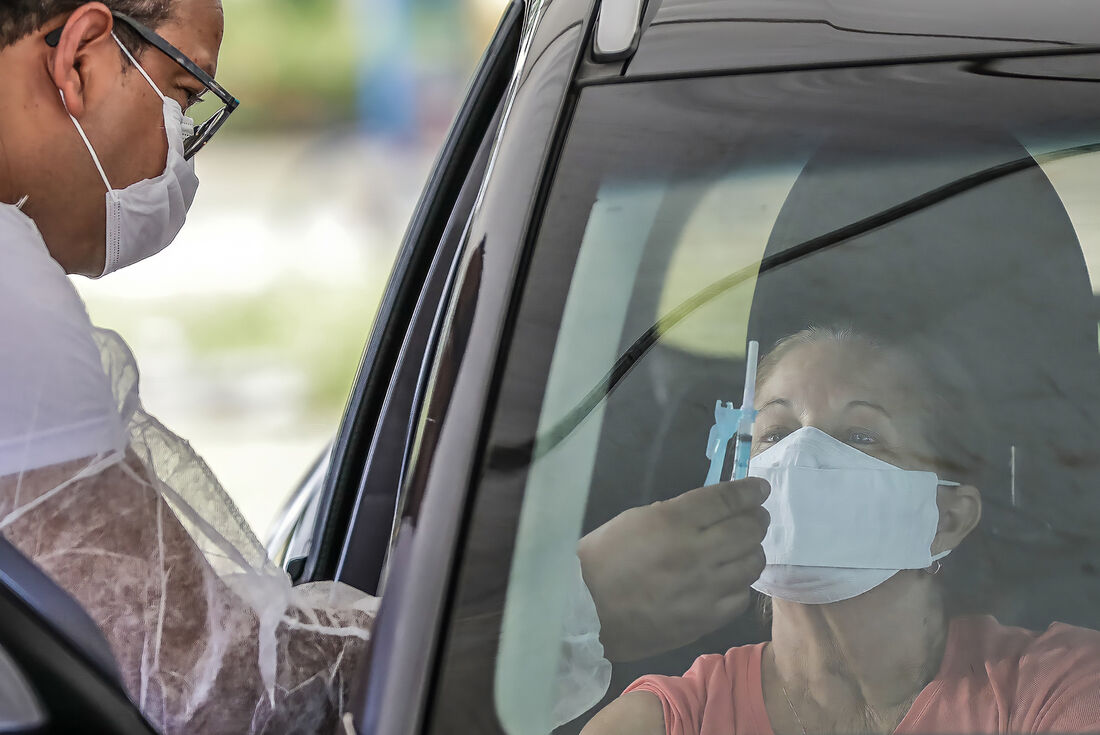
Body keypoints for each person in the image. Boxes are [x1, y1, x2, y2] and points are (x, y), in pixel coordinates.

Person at [0, 2, 770, 731]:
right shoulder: (13, 295)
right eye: (184, 95)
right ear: (81, 57)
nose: (184, 155)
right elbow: (220, 691)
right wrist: (576, 607)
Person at [582, 326, 1100, 735]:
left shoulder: (1057, 690)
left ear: (948, 517)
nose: (802, 457)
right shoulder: (660, 723)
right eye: (778, 433)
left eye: (859, 435)